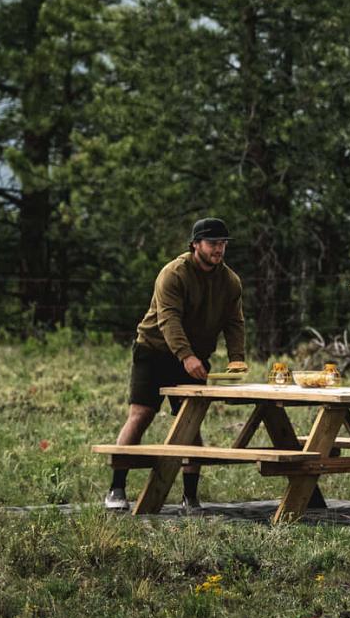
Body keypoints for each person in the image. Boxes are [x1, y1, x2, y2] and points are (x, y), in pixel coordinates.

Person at [105, 217, 246, 513]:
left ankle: (190, 497)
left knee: (190, 422)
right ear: (195, 244)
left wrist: (237, 357)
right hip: (154, 351)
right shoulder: (173, 274)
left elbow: (235, 321)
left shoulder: (230, 281)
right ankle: (116, 488)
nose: (219, 249)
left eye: (223, 243)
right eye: (212, 243)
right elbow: (168, 319)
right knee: (141, 415)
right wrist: (186, 356)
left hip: (194, 356)